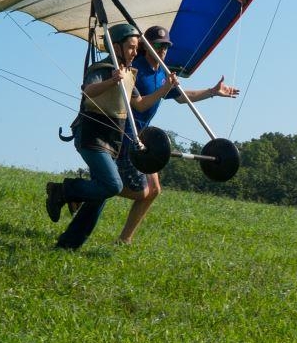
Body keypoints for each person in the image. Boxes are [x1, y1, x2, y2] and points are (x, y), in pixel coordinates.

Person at [113, 24, 240, 244]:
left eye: (166, 46)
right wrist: (163, 89)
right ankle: (97, 188)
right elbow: (140, 105)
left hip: (144, 135)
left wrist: (212, 92)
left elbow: (182, 97)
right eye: (158, 45)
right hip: (126, 134)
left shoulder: (162, 71)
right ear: (146, 47)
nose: (163, 49)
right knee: (138, 191)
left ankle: (124, 239)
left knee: (154, 190)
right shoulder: (136, 68)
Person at [44, 23, 142, 250]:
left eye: (136, 48)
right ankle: (64, 191)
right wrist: (111, 80)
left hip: (111, 142)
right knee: (113, 185)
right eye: (131, 47)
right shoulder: (103, 67)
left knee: (100, 194)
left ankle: (69, 244)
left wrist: (167, 87)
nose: (135, 52)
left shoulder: (128, 74)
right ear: (116, 48)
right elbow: (88, 91)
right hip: (91, 137)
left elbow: (140, 103)